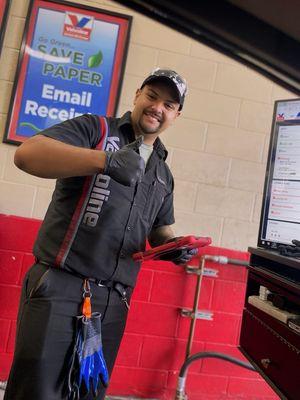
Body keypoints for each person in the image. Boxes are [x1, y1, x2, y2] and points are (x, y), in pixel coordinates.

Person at [4, 68, 197, 400]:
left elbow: (159, 229)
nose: (157, 108)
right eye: (152, 97)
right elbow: (27, 155)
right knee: (37, 392)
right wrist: (105, 161)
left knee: (87, 394)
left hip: (113, 301)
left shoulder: (162, 172)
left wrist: (172, 246)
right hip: (59, 285)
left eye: (168, 105)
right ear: (137, 95)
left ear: (176, 116)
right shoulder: (96, 129)